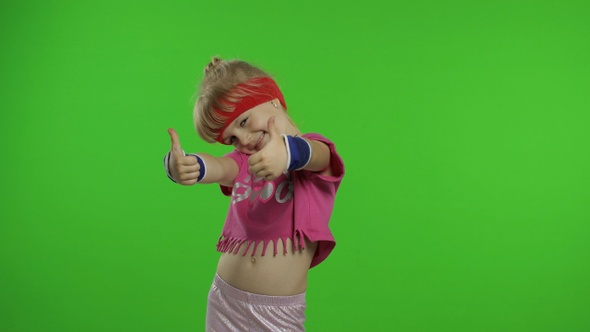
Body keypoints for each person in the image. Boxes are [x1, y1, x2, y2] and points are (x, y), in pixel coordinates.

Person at [164, 57, 345, 331]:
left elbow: (318, 156)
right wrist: (184, 166)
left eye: (244, 121)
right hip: (224, 301)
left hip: (276, 314)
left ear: (272, 99)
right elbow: (218, 166)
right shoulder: (244, 160)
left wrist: (286, 153)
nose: (244, 140)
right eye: (232, 138)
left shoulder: (313, 151)